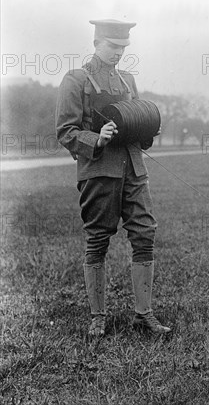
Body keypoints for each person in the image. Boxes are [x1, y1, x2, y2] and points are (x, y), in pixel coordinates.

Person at [55, 19, 170, 336]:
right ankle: (98, 316)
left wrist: (146, 129)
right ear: (96, 43)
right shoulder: (75, 80)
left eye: (123, 47)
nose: (118, 53)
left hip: (133, 169)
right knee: (97, 238)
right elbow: (65, 131)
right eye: (112, 46)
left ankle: (143, 314)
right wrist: (98, 139)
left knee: (145, 232)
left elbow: (134, 125)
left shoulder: (128, 81)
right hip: (99, 171)